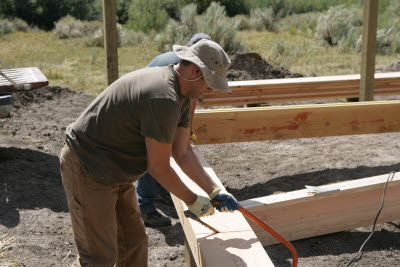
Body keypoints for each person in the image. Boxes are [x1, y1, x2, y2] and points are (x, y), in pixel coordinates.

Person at [60, 39, 239, 267]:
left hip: (116, 170)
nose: (211, 89)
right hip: (89, 167)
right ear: (196, 71)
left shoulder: (182, 94)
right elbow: (158, 167)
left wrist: (214, 191)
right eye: (210, 82)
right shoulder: (162, 97)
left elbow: (182, 150)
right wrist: (192, 200)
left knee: (133, 244)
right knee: (99, 258)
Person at [137, 33, 212, 227]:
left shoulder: (187, 65)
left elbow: (188, 103)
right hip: (147, 110)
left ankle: (163, 190)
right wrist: (186, 135)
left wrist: (186, 132)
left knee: (168, 150)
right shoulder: (182, 67)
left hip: (157, 105)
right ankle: (145, 206)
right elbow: (191, 101)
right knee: (152, 156)